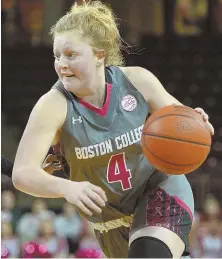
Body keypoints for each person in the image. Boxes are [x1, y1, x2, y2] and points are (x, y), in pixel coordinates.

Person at [12, 1, 214, 258]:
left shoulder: (138, 81)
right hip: (108, 223)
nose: (61, 64)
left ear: (99, 54)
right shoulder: (52, 106)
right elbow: (22, 174)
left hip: (159, 192)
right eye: (57, 55)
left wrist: (197, 121)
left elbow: (184, 125)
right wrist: (67, 188)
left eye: (71, 54)